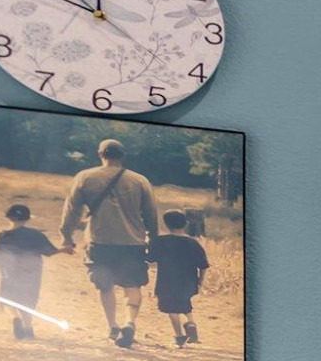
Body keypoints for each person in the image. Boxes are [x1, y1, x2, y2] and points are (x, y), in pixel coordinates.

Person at [60, 138, 159, 348]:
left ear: (100, 154)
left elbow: (71, 212)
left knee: (105, 286)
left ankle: (113, 326)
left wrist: (67, 236)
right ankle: (129, 323)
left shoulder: (84, 177)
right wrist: (153, 240)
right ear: (122, 156)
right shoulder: (140, 180)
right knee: (132, 286)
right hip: (133, 243)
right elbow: (150, 214)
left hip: (100, 242)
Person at [0, 202, 59, 341]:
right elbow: (50, 252)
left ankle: (14, 317)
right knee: (28, 300)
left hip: (9, 272)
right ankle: (28, 328)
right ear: (27, 219)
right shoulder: (36, 234)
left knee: (7, 300)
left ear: (8, 218)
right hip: (32, 273)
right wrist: (65, 249)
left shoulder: (3, 236)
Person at [147, 210, 210, 347]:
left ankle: (179, 336)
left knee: (171, 309)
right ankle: (190, 322)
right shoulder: (193, 243)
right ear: (185, 223)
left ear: (166, 224)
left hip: (166, 282)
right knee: (185, 302)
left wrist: (148, 242)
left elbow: (150, 259)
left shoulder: (161, 241)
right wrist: (200, 281)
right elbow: (204, 265)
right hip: (188, 283)